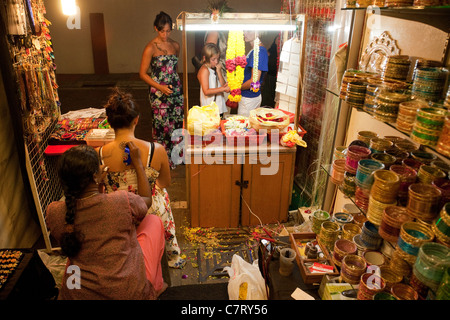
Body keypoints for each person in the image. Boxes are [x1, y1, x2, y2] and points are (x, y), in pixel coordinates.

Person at [46, 144, 167, 300]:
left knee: (72, 260)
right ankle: (155, 286)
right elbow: (147, 201)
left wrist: (98, 185)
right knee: (153, 221)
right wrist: (137, 163)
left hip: (79, 294)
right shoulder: (121, 201)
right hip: (128, 292)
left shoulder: (54, 212)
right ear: (95, 175)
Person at [97, 88, 185, 269]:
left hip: (118, 210)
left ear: (109, 122)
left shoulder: (99, 153)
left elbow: (101, 186)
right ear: (136, 120)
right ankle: (171, 256)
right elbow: (165, 182)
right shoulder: (156, 149)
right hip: (150, 210)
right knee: (162, 194)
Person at [139, 11, 183, 169]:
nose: (165, 34)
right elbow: (143, 74)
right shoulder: (150, 47)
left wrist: (174, 86)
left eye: (168, 30)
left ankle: (177, 157)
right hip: (158, 93)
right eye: (162, 31)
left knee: (177, 122)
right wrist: (160, 87)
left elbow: (175, 69)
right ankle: (163, 160)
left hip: (175, 91)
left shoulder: (176, 45)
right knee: (162, 125)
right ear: (156, 29)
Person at [238, 31, 269, 117]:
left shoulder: (260, 52)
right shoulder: (254, 50)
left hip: (249, 99)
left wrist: (236, 88)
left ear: (258, 33)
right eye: (244, 30)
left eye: (248, 30)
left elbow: (254, 81)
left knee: (244, 128)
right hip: (247, 98)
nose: (244, 32)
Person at [197, 43, 229, 116]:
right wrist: (223, 89)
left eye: (217, 58)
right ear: (205, 58)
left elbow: (223, 85)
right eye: (213, 59)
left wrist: (219, 71)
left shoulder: (213, 69)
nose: (216, 62)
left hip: (218, 107)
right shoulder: (204, 70)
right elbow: (206, 91)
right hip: (210, 109)